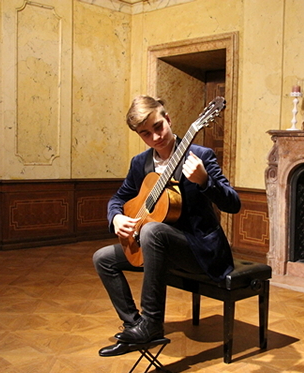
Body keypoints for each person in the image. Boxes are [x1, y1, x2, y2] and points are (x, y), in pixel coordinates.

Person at [93, 95, 241, 357]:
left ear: (168, 119)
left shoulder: (200, 156)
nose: (155, 137)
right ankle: (134, 326)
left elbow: (234, 203)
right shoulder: (140, 163)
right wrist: (115, 217)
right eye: (145, 134)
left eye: (158, 127)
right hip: (158, 248)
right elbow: (119, 198)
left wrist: (205, 181)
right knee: (102, 258)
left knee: (152, 231)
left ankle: (152, 323)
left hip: (199, 251)